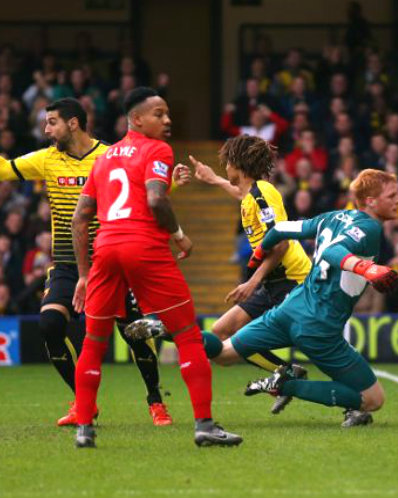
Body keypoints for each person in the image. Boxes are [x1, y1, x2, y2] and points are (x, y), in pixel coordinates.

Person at [0, 98, 175, 427]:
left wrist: (176, 185)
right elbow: (1, 169)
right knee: (49, 326)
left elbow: (146, 189)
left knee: (133, 333)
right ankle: (84, 403)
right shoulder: (47, 159)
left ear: (73, 123)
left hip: (110, 261)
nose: (45, 129)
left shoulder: (110, 156)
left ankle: (156, 402)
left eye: (52, 121)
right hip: (68, 264)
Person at [70, 87, 240, 448]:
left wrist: (84, 274)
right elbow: (155, 198)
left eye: (167, 114)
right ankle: (205, 425)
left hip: (106, 248)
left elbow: (80, 219)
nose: (168, 120)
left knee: (94, 340)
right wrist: (179, 235)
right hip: (143, 245)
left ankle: (84, 428)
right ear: (136, 119)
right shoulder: (156, 150)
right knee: (188, 336)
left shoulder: (103, 159)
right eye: (159, 114)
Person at [126, 135, 312, 415]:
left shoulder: (262, 193)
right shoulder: (252, 194)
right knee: (220, 333)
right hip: (273, 280)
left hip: (292, 280)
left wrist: (252, 281)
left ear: (238, 164)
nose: (224, 167)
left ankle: (352, 396)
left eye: (226, 163)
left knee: (313, 340)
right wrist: (212, 179)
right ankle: (286, 371)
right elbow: (241, 193)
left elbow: (282, 243)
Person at [209, 169, 398, 427]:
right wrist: (366, 268)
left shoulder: (332, 216)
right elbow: (334, 251)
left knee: (221, 354)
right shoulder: (370, 228)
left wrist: (259, 253)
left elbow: (280, 230)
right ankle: (287, 385)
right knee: (373, 398)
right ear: (370, 201)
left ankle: (166, 328)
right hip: (320, 326)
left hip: (288, 309)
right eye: (392, 195)